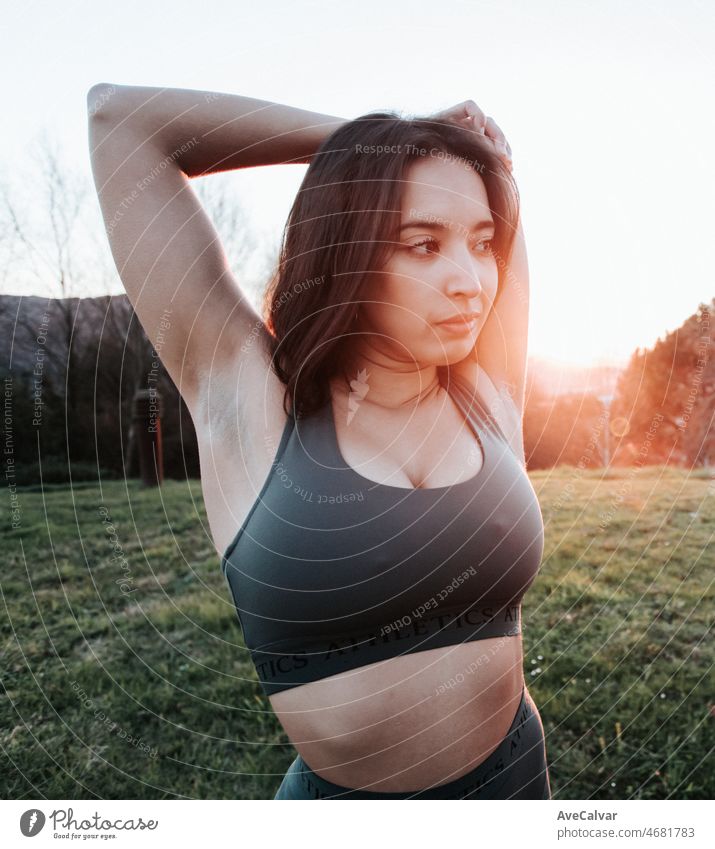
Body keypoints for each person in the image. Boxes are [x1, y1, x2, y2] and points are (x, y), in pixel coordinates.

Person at [87, 84, 551, 799]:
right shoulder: (250, 399)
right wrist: (372, 145)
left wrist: (436, 156)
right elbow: (119, 120)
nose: (469, 282)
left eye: (480, 243)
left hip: (514, 779)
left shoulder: (486, 389)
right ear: (344, 248)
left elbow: (500, 182)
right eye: (422, 244)